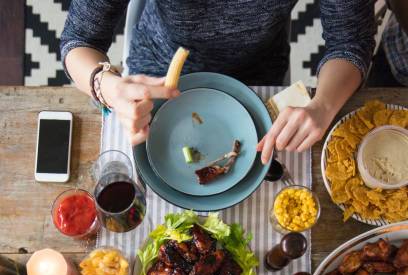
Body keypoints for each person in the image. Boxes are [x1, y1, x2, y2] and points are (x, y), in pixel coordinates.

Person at [60, 0, 376, 158]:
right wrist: (108, 86)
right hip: (156, 71)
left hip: (259, 74)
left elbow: (350, 42)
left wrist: (322, 105)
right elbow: (79, 39)